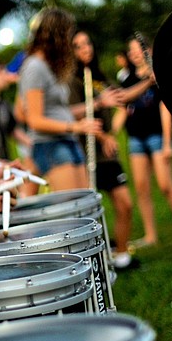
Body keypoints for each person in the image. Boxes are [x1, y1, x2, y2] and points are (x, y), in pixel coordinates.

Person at [112, 34, 172, 249]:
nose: (133, 53)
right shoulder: (127, 78)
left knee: (165, 185)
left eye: (136, 49)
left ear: (146, 50)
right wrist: (111, 134)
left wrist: (168, 142)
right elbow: (123, 108)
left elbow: (165, 108)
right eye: (129, 50)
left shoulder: (158, 76)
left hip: (157, 137)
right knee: (141, 188)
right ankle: (150, 236)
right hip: (135, 139)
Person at [69, 30, 139, 271]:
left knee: (125, 204)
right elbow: (72, 113)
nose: (85, 48)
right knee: (89, 213)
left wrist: (149, 81)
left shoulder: (99, 77)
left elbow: (121, 100)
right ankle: (93, 263)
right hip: (85, 155)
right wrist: (102, 135)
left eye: (87, 42)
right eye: (78, 46)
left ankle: (121, 256)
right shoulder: (73, 80)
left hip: (107, 155)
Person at [17, 7, 103, 192]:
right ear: (56, 35)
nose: (69, 41)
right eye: (67, 35)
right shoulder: (34, 67)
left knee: (85, 201)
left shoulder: (49, 67)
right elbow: (34, 120)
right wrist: (76, 126)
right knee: (72, 207)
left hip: (67, 140)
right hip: (50, 144)